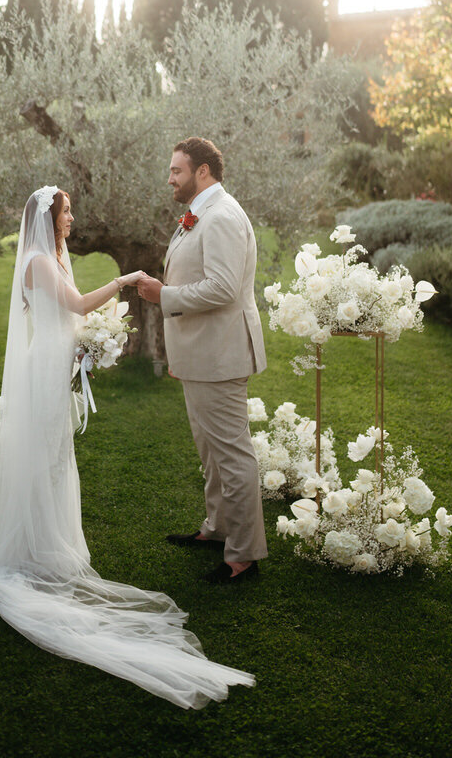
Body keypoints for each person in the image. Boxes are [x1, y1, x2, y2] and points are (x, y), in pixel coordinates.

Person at [0, 184, 255, 709]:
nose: (73, 218)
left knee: (57, 461)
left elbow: (72, 317)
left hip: (56, 365)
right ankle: (29, 552)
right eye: (66, 212)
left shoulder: (54, 255)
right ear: (48, 218)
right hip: (41, 372)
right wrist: (125, 281)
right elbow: (78, 304)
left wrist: (89, 344)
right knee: (44, 460)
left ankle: (48, 545)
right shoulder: (39, 261)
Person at [137, 138, 268, 583]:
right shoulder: (201, 213)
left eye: (176, 170)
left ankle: (243, 555)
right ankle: (217, 529)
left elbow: (224, 288)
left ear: (204, 171)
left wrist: (164, 295)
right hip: (201, 353)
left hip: (220, 354)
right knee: (211, 452)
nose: (170, 178)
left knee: (231, 455)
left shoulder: (223, 216)